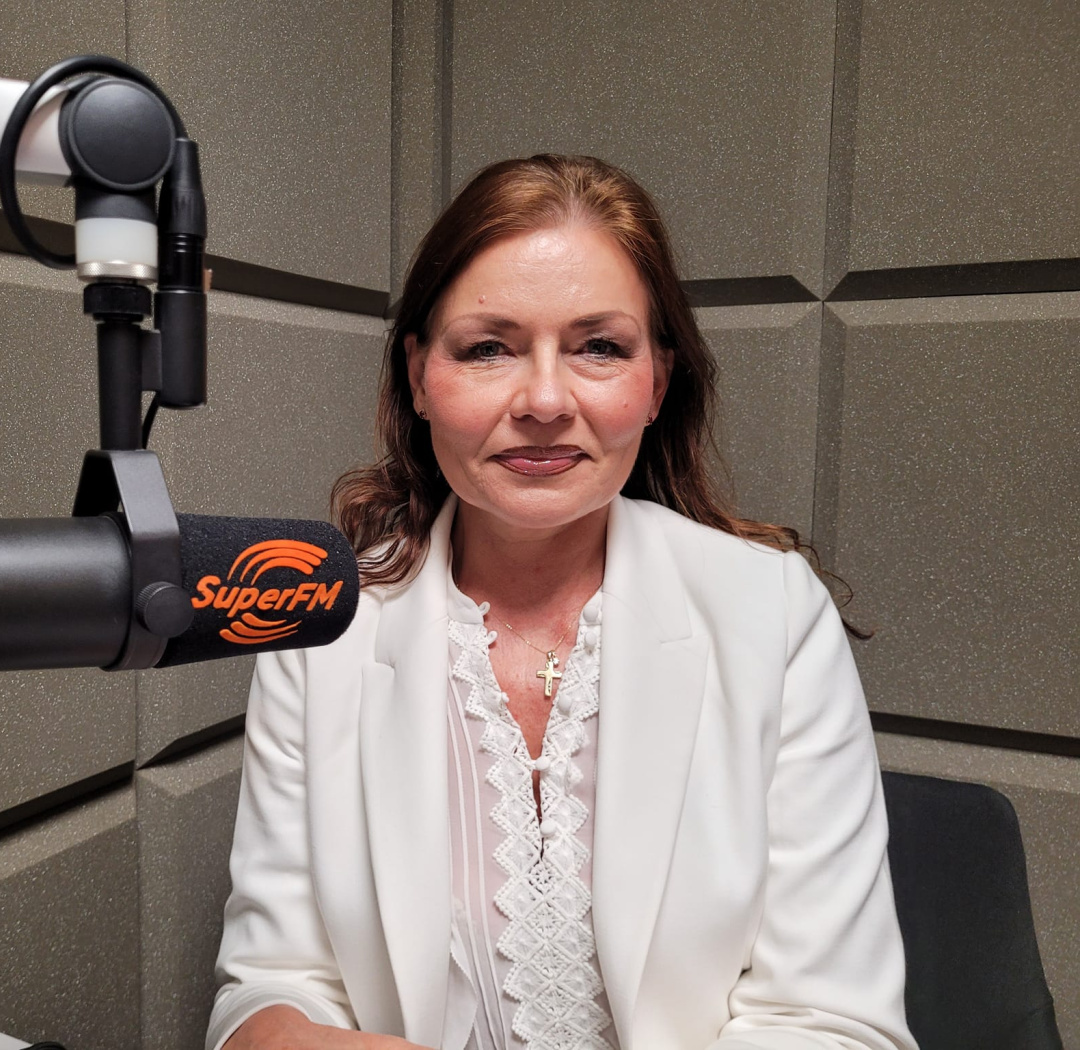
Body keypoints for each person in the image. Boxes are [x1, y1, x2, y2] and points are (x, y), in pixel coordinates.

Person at [206, 155, 917, 1050]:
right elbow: (270, 986)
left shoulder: (772, 615)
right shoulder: (323, 624)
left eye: (599, 348)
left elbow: (833, 1023)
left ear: (658, 382)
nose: (544, 400)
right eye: (488, 348)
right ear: (419, 376)